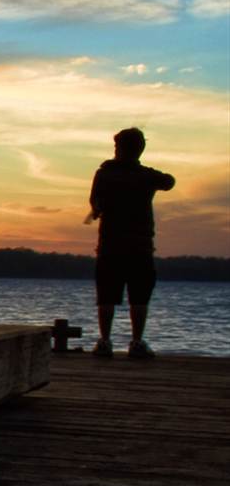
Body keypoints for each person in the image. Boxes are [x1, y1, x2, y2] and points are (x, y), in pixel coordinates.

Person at [88, 126, 174, 360]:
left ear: (119, 148)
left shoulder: (104, 174)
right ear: (140, 149)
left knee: (106, 295)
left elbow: (95, 204)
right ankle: (136, 342)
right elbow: (169, 181)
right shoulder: (146, 176)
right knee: (139, 296)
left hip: (110, 246)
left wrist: (99, 208)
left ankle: (104, 342)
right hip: (140, 247)